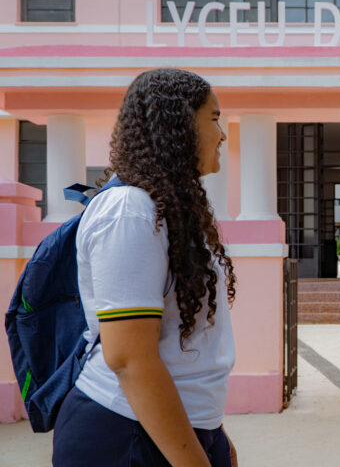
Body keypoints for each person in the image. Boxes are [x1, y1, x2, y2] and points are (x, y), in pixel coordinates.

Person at [52, 68, 238, 467]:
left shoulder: (168, 210)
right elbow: (129, 359)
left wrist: (214, 433)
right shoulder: (130, 211)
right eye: (214, 118)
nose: (222, 134)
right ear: (179, 124)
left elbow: (184, 349)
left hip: (175, 430)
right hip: (125, 435)